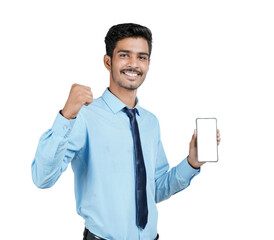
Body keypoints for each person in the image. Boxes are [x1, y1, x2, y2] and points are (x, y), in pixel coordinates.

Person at [31, 23, 221, 240]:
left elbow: (155, 190)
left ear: (148, 63)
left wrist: (192, 163)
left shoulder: (150, 122)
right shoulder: (83, 116)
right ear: (107, 61)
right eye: (124, 55)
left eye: (141, 57)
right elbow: (42, 178)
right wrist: (66, 116)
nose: (133, 64)